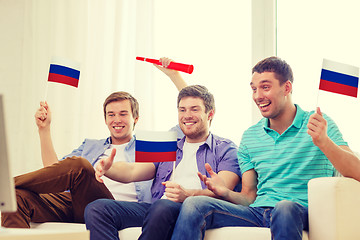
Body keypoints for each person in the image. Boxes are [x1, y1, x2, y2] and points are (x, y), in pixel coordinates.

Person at [170, 56, 360, 240]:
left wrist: (324, 142)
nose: (258, 96)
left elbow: (357, 172)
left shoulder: (319, 124)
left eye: (265, 87)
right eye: (254, 89)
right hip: (258, 212)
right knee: (194, 204)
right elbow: (249, 197)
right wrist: (225, 192)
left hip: (299, 211)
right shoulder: (250, 136)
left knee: (284, 207)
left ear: (287, 87)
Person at [1, 58, 184, 228]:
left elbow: (188, 121)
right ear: (105, 119)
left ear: (136, 118)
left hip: (114, 209)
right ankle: (8, 191)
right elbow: (52, 171)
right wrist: (44, 129)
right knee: (16, 199)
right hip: (75, 204)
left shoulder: (148, 146)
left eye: (123, 114)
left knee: (79, 165)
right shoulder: (91, 146)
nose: (116, 119)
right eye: (111, 115)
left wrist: (175, 76)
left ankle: (6, 186)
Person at [84, 83, 242, 240]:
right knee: (96, 208)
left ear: (210, 114)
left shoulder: (225, 148)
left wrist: (188, 195)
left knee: (162, 206)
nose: (187, 115)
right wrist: (108, 168)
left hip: (192, 211)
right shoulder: (168, 143)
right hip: (157, 209)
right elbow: (132, 171)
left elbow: (224, 192)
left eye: (194, 109)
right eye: (182, 110)